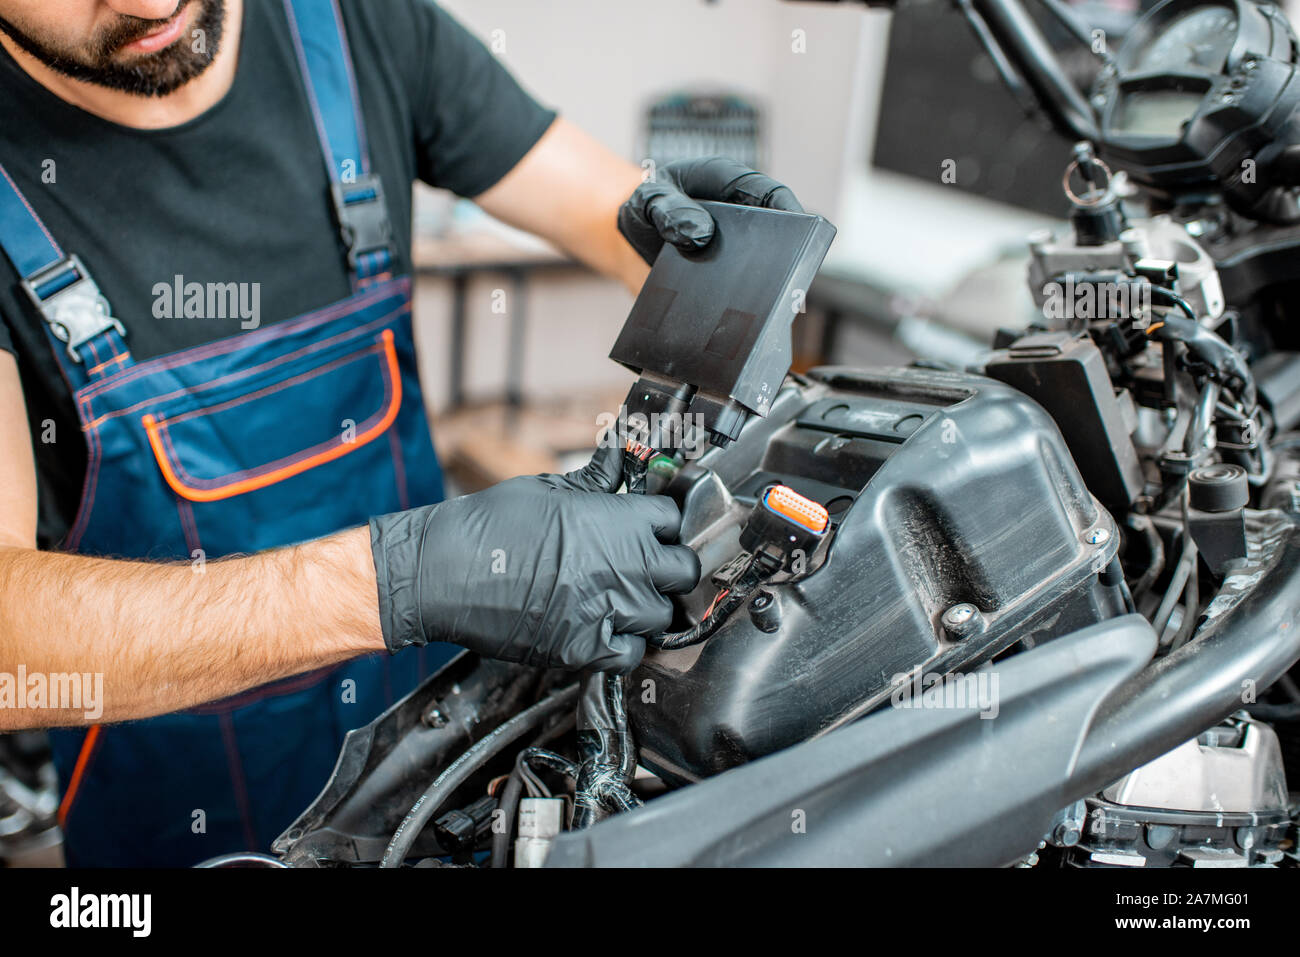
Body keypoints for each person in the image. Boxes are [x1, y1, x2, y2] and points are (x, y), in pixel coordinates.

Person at [0, 0, 803, 866]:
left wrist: (708, 250)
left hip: (434, 787)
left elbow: (611, 214)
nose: (154, 4)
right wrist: (400, 579)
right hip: (178, 830)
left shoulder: (351, 27)